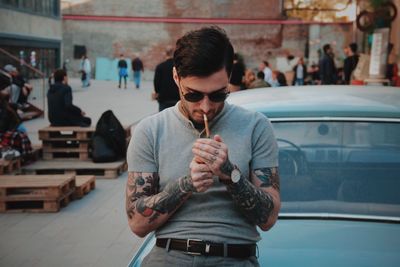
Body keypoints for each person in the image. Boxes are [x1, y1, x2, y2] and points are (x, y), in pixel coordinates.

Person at [126, 26, 280, 267]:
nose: (206, 107)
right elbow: (137, 223)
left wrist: (230, 174)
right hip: (169, 254)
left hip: (235, 256)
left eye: (218, 95)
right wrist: (187, 184)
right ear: (176, 78)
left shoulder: (256, 126)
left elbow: (268, 218)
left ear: (229, 78)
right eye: (193, 95)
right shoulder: (150, 131)